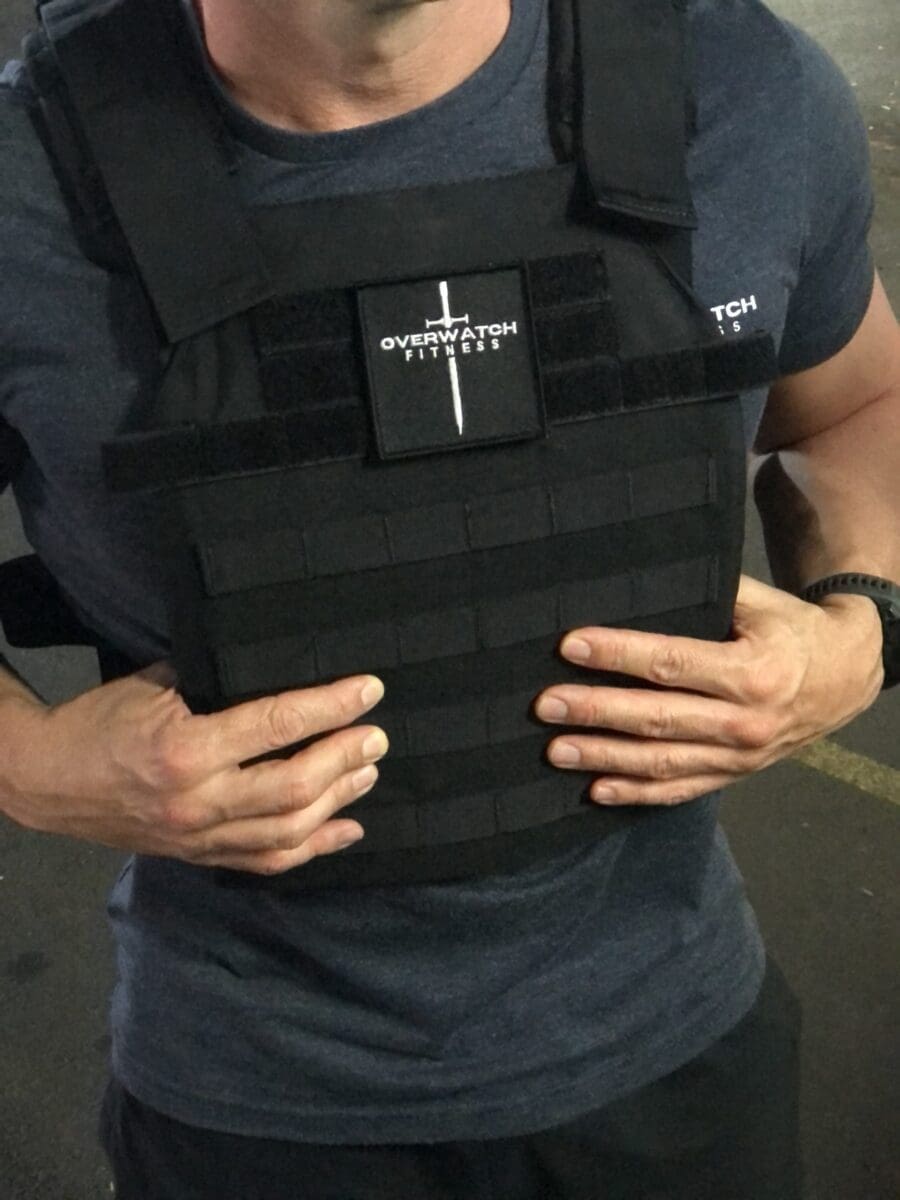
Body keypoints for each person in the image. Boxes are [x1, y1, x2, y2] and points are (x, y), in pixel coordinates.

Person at [0, 0, 898, 1196]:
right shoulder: (27, 175)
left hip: (677, 1063)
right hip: (256, 1108)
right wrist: (30, 764)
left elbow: (859, 405)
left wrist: (862, 628)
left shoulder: (740, 89)